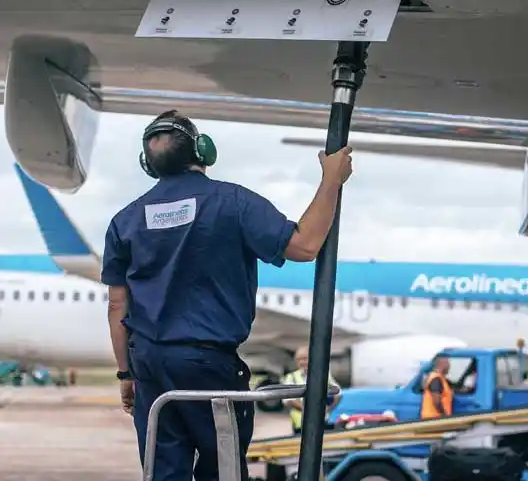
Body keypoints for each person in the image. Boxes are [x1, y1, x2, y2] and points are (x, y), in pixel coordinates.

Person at [102, 110, 353, 481]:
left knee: (162, 472)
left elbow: (117, 306)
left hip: (150, 368)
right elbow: (304, 245)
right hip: (209, 368)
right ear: (203, 151)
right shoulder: (232, 202)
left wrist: (127, 373)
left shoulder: (124, 221)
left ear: (148, 166)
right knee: (223, 472)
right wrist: (331, 181)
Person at [282, 345, 342, 434]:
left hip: (322, 423)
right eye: (299, 359)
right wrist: (310, 411)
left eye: (305, 358)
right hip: (301, 426)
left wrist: (328, 409)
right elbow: (288, 401)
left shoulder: (324, 375)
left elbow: (338, 394)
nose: (302, 362)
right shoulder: (291, 377)